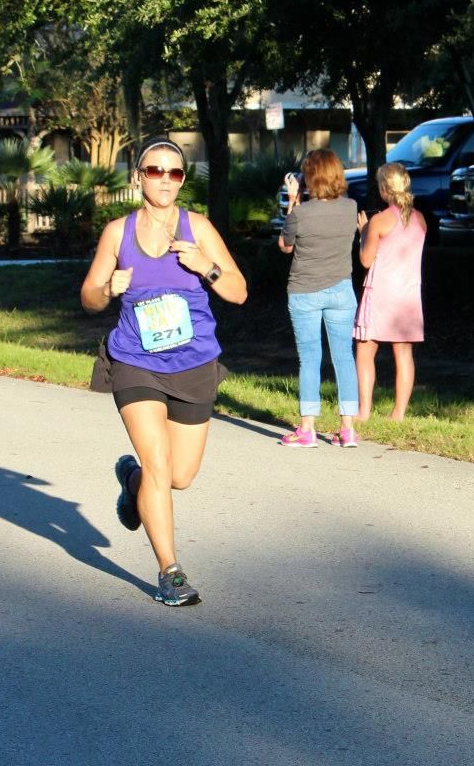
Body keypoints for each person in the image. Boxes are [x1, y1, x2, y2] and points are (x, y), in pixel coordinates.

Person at [80, 137, 247, 606]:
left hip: (194, 363)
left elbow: (238, 292)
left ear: (182, 180)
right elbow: (88, 297)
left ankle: (132, 483)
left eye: (175, 173)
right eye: (156, 171)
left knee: (178, 476)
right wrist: (109, 289)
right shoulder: (118, 233)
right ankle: (169, 572)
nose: (165, 181)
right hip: (135, 361)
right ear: (139, 176)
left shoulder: (200, 229)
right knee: (158, 464)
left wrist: (206, 267)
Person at [277, 149, 359, 448]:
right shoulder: (351, 208)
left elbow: (285, 246)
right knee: (344, 358)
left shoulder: (300, 212)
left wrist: (293, 201)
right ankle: (347, 428)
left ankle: (307, 428)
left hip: (304, 291)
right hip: (341, 290)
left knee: (310, 359)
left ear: (309, 178)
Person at [353, 162, 426, 421]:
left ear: (384, 188)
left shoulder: (380, 220)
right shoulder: (420, 220)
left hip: (382, 293)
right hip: (408, 295)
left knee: (365, 349)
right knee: (403, 353)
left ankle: (364, 411)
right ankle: (399, 413)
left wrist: (363, 233)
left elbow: (365, 260)